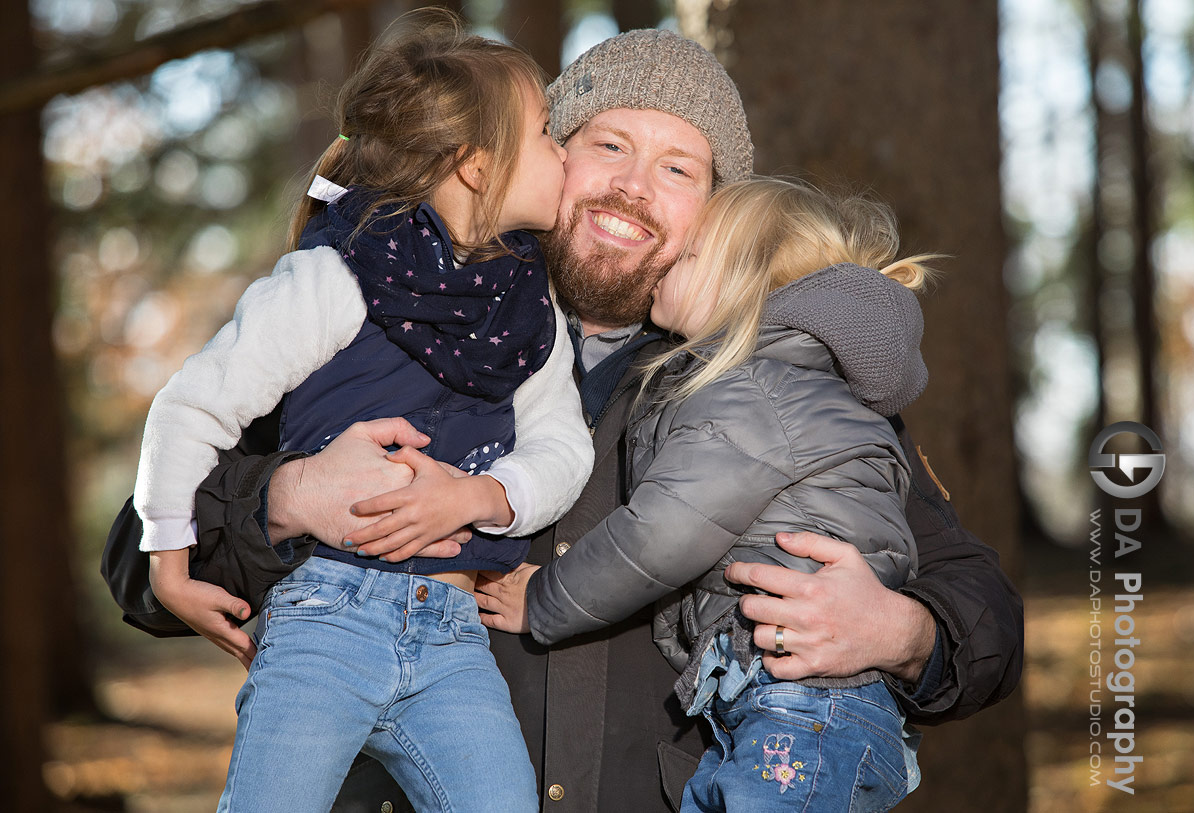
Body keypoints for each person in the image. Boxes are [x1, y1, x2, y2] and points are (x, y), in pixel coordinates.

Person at [111, 28, 1022, 812]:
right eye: (608, 144)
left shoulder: (771, 378)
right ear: (541, 153)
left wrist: (903, 633)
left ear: (718, 211)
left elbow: (981, 605)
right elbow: (137, 558)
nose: (632, 187)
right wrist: (287, 495)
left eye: (678, 168)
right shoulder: (392, 306)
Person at [131, 16, 591, 812]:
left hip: (452, 634)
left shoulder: (528, 305)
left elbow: (562, 444)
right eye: (547, 132)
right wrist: (169, 565)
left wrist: (484, 496)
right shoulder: (337, 275)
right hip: (323, 619)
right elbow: (191, 405)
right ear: (477, 168)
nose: (565, 152)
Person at [478, 176, 936, 811]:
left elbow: (661, 534)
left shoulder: (752, 392)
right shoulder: (798, 386)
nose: (670, 259)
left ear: (741, 283)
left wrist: (545, 598)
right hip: (794, 708)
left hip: (802, 707)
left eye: (690, 256)